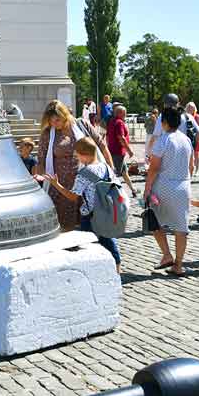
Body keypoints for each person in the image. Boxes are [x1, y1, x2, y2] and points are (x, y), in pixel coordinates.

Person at [43, 136, 123, 272]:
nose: (77, 158)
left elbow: (73, 197)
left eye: (77, 155)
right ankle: (117, 267)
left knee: (87, 243)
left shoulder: (84, 173)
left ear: (84, 154)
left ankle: (95, 270)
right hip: (108, 209)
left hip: (91, 214)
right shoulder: (105, 167)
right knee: (108, 239)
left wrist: (56, 185)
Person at [143, 106, 194, 276]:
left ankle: (166, 254)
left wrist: (147, 188)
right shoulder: (186, 139)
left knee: (154, 220)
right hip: (183, 186)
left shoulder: (163, 140)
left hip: (164, 185)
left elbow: (154, 168)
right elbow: (192, 165)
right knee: (181, 227)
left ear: (164, 122)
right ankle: (178, 264)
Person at [36, 100, 87, 232]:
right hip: (59, 185)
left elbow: (98, 146)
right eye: (51, 121)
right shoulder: (47, 134)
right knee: (62, 227)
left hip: (80, 183)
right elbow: (41, 160)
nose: (54, 124)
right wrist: (40, 177)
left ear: (64, 115)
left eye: (57, 120)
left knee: (82, 226)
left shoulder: (79, 126)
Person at [106, 104, 139, 197]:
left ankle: (133, 189)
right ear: (120, 113)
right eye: (125, 113)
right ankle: (114, 195)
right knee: (115, 175)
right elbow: (121, 138)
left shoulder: (112, 121)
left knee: (124, 172)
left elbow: (107, 137)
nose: (126, 114)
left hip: (113, 151)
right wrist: (129, 150)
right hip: (118, 152)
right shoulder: (119, 122)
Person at [184, 102, 199, 174]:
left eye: (192, 108)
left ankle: (197, 170)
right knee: (187, 154)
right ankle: (188, 169)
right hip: (187, 138)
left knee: (196, 154)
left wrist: (198, 137)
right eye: (189, 107)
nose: (190, 109)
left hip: (195, 138)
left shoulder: (197, 116)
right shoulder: (184, 116)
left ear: (194, 109)